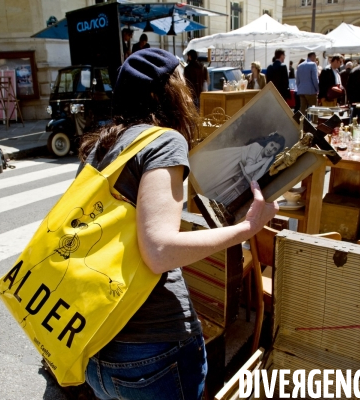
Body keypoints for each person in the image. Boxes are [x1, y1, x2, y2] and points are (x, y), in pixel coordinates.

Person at [78, 48, 278, 400]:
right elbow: (159, 251)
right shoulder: (163, 140)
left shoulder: (100, 145)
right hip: (153, 351)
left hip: (97, 345)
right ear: (163, 94)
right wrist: (249, 228)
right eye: (181, 83)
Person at [190, 133, 286, 205]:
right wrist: (262, 162)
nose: (271, 149)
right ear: (268, 142)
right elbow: (248, 170)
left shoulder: (266, 160)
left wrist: (266, 163)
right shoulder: (256, 147)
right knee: (212, 174)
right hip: (232, 160)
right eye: (272, 145)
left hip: (237, 171)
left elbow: (254, 181)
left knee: (220, 186)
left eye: (274, 150)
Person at [295, 52, 319, 116]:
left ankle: (300, 123)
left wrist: (299, 88)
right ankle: (314, 123)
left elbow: (297, 80)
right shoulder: (313, 64)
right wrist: (317, 89)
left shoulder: (300, 65)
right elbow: (315, 79)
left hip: (301, 91)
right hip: (310, 91)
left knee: (302, 109)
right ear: (313, 56)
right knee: (314, 109)